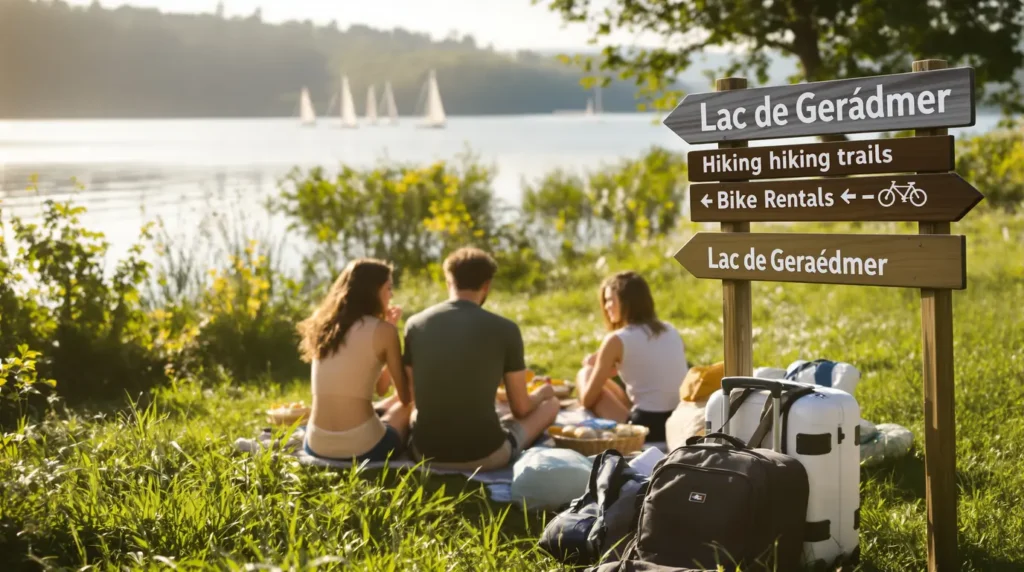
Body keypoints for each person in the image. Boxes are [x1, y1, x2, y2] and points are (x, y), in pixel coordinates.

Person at [402, 247, 560, 471]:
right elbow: (521, 409)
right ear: (487, 285)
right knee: (550, 405)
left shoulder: (415, 324)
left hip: (425, 453)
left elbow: (414, 398)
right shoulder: (506, 329)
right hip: (486, 456)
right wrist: (543, 392)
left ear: (449, 281)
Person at [297, 258, 413, 462]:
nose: (391, 294)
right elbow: (404, 396)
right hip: (363, 449)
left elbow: (381, 388)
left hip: (315, 444)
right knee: (408, 406)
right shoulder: (383, 331)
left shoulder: (324, 326)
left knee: (387, 404)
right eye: (388, 287)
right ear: (374, 291)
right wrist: (391, 331)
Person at [576, 271, 687, 442]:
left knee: (585, 374)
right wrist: (602, 362)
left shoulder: (617, 339)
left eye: (610, 300)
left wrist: (595, 366)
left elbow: (588, 399)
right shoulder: (670, 330)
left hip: (645, 427)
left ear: (627, 302)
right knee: (600, 377)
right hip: (678, 421)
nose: (606, 306)